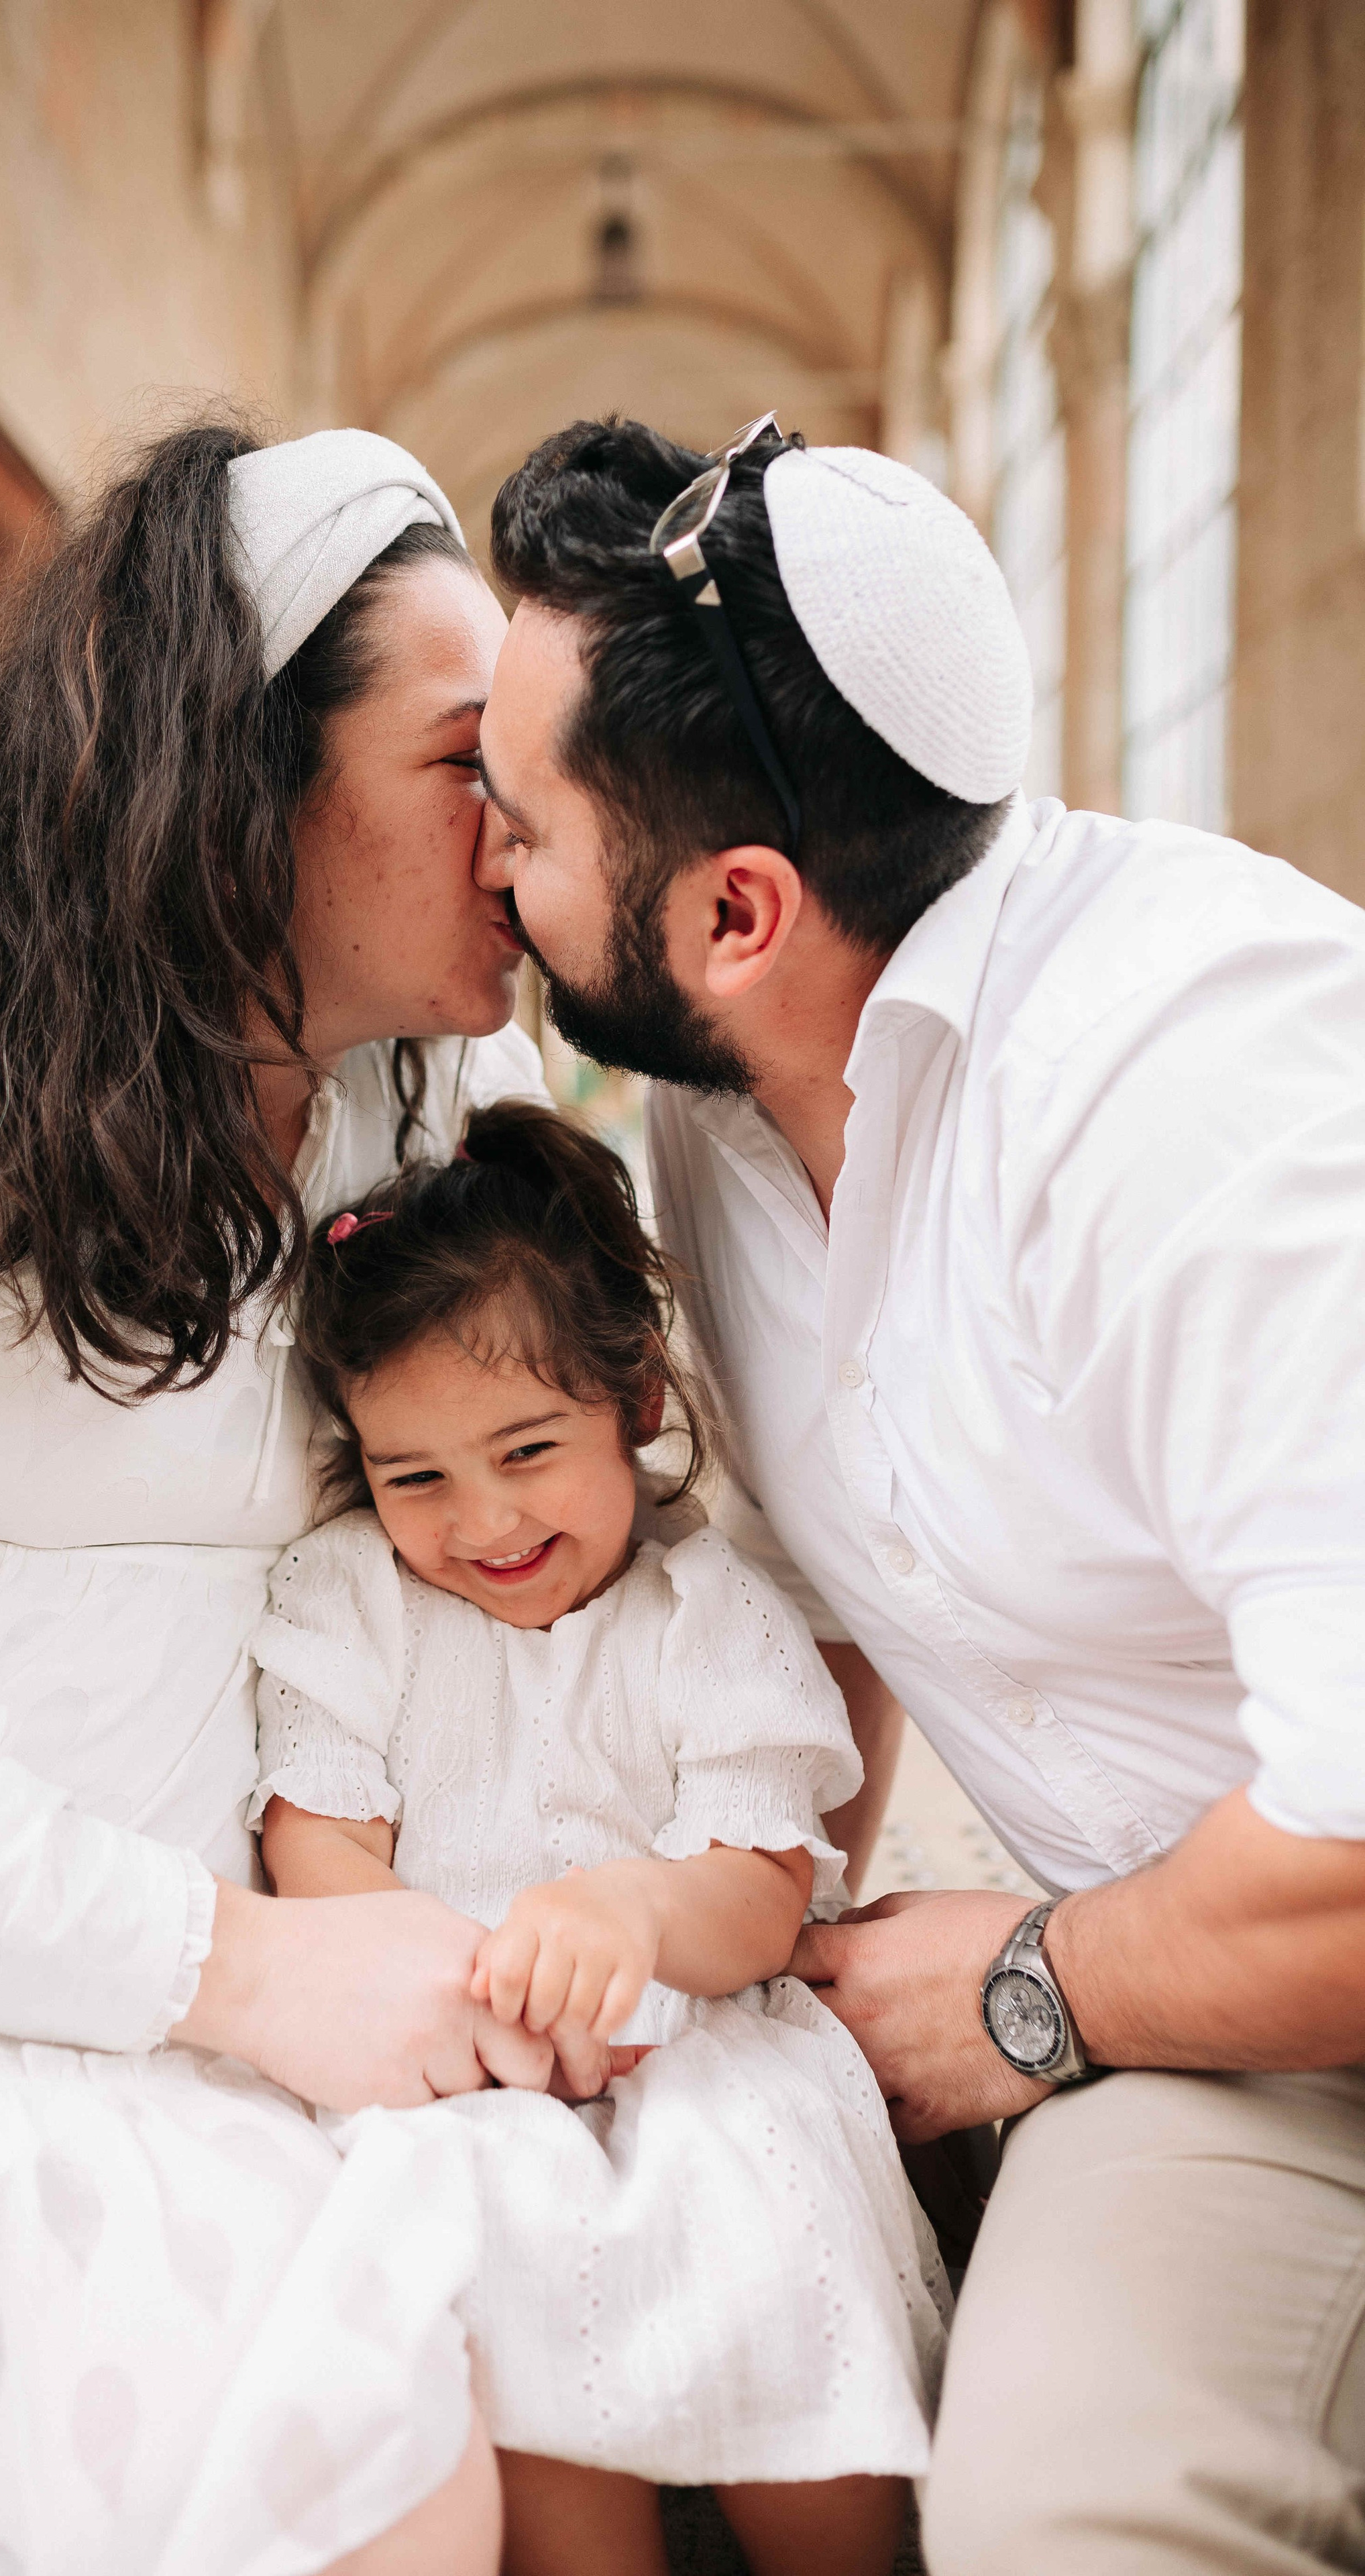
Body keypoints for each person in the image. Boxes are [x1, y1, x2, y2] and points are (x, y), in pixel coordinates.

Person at [0, 418, 578, 2572]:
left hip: (277, 1992)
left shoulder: (444, 1102)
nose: (525, 824)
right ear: (238, 779)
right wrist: (228, 1971)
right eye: (467, 761)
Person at [472, 413, 1365, 2575]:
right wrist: (769, 1963)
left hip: (1248, 1969)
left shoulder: (1203, 1104)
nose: (481, 861)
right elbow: (834, 1596)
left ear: (736, 911)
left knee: (1070, 2533)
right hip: (1206, 2016)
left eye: (520, 820)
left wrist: (1027, 1993)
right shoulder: (735, 1102)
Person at [250, 1098, 947, 2576]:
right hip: (456, 2058)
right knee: (495, 2260)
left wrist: (632, 1912)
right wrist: (456, 1987)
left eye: (526, 1450)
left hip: (692, 2041)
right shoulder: (350, 1600)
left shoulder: (707, 1617)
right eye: (415, 1477)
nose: (482, 1520)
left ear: (633, 1402)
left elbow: (760, 1896)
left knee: (762, 2208)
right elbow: (319, 1849)